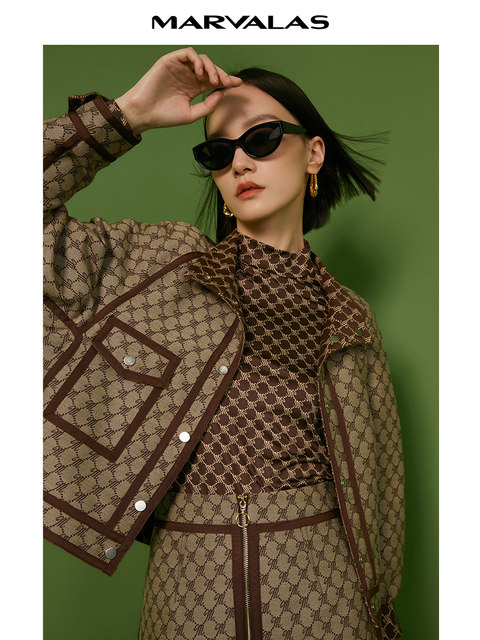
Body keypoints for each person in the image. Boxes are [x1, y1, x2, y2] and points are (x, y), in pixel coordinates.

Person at [43, 47, 404, 640]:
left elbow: (380, 490)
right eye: (218, 151)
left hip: (324, 593)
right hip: (188, 589)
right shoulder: (158, 265)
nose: (240, 162)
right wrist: (129, 114)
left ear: (314, 153)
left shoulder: (350, 320)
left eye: (261, 139)